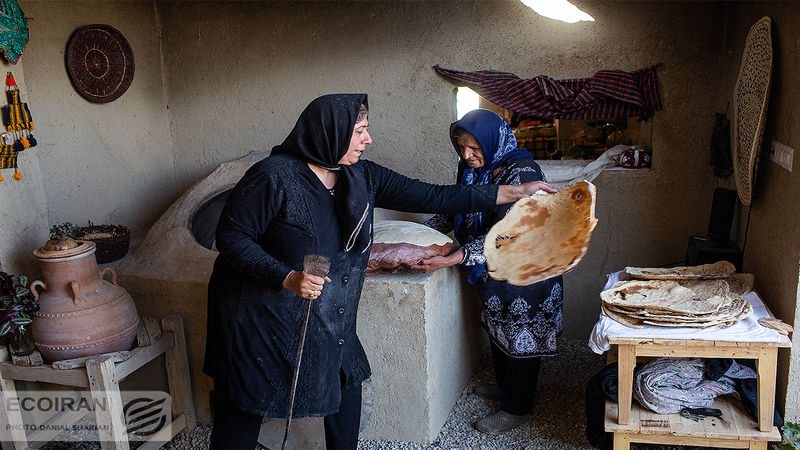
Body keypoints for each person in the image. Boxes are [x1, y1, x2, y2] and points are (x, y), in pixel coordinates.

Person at [202, 94, 556, 450]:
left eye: (366, 130)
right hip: (260, 316)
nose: (367, 140)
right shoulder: (273, 177)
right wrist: (286, 277)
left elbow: (436, 196)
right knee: (247, 402)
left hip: (324, 311)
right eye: (359, 131)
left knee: (347, 382)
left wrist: (515, 191)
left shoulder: (360, 176)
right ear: (330, 132)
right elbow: (231, 237)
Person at [413, 109, 563, 435]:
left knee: (521, 334)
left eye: (475, 148)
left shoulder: (521, 172)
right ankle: (507, 389)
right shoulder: (469, 170)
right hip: (494, 273)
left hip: (527, 273)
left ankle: (517, 409)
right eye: (461, 147)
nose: (467, 155)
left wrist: (455, 256)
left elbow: (511, 232)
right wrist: (419, 237)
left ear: (492, 142)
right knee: (499, 329)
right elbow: (456, 207)